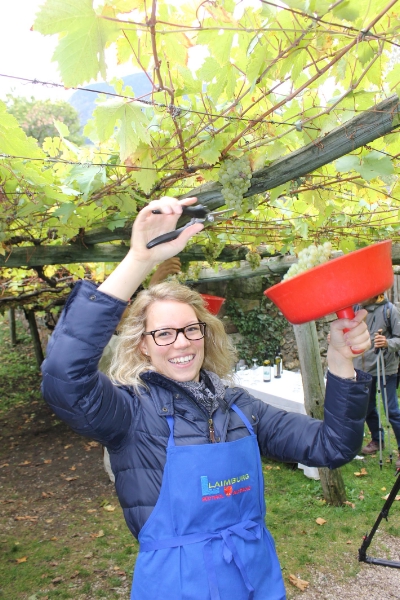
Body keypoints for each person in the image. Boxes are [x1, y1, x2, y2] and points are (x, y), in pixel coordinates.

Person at [41, 196, 371, 600]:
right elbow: (64, 378)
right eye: (164, 333)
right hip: (178, 586)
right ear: (143, 345)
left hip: (254, 577)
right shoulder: (130, 413)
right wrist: (138, 260)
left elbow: (333, 445)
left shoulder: (241, 407)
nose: (181, 343)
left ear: (205, 334)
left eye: (190, 330)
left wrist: (340, 360)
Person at [99, 257, 182, 483]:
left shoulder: (124, 338)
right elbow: (132, 348)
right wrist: (153, 287)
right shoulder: (106, 347)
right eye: (124, 302)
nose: (128, 306)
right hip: (134, 455)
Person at [353, 293, 400, 467]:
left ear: (373, 294)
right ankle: (377, 440)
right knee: (367, 407)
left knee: (391, 410)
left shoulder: (390, 310)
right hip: (362, 369)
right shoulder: (355, 308)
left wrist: (387, 343)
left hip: (385, 368)